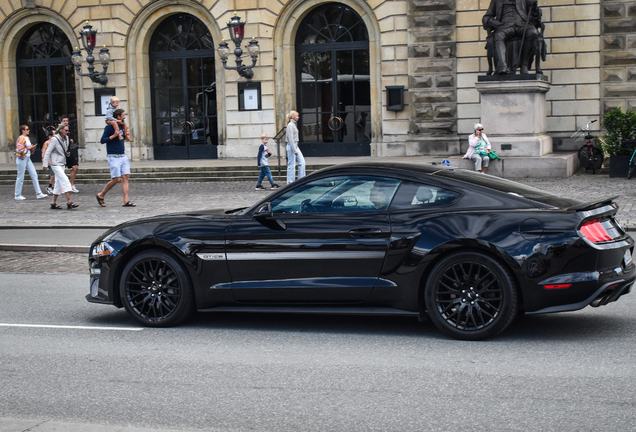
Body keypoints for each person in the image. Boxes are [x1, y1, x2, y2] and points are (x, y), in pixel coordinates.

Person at [483, 0, 541, 74]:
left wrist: (534, 6)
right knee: (499, 35)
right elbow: (486, 17)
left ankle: (524, 65)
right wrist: (496, 24)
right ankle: (502, 66)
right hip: (505, 25)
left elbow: (535, 15)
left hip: (522, 24)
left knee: (532, 32)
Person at [96, 109, 136, 207]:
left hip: (122, 155)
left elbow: (123, 137)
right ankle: (101, 194)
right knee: (116, 179)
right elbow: (102, 140)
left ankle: (125, 201)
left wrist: (127, 137)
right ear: (118, 117)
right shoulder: (110, 127)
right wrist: (114, 135)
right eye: (123, 115)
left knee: (125, 177)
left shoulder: (122, 126)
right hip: (113, 156)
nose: (124, 117)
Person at [42, 124, 79, 209]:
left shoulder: (66, 139)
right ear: (61, 130)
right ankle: (69, 202)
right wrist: (45, 164)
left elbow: (65, 150)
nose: (67, 132)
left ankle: (53, 203)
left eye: (67, 130)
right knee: (65, 180)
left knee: (58, 184)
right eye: (65, 130)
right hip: (55, 163)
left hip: (62, 162)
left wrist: (67, 153)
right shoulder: (55, 139)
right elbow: (48, 152)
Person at [14, 124, 47, 201]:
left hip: (27, 158)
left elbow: (28, 149)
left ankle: (39, 193)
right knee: (20, 177)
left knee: (34, 175)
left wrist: (32, 148)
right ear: (23, 130)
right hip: (21, 159)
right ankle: (17, 194)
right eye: (27, 129)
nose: (28, 130)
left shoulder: (27, 138)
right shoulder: (20, 138)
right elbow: (19, 150)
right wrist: (29, 148)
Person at [60, 115, 79, 193]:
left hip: (68, 152)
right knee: (60, 171)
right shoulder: (58, 132)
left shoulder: (68, 132)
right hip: (61, 154)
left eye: (66, 121)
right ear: (61, 122)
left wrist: (70, 141)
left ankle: (71, 185)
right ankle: (61, 187)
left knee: (75, 167)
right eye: (64, 121)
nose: (65, 122)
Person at [285, 110, 305, 184]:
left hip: (295, 145)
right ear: (293, 117)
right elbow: (291, 139)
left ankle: (301, 180)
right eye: (297, 116)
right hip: (292, 146)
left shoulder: (293, 125)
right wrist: (294, 150)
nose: (298, 117)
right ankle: (290, 182)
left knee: (302, 162)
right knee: (291, 164)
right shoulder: (290, 125)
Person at [41, 128, 56, 194]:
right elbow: (43, 151)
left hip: (54, 160)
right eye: (53, 135)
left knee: (54, 174)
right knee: (53, 174)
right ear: (50, 136)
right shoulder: (47, 143)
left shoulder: (54, 142)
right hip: (49, 161)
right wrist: (44, 160)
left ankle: (52, 187)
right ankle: (50, 186)